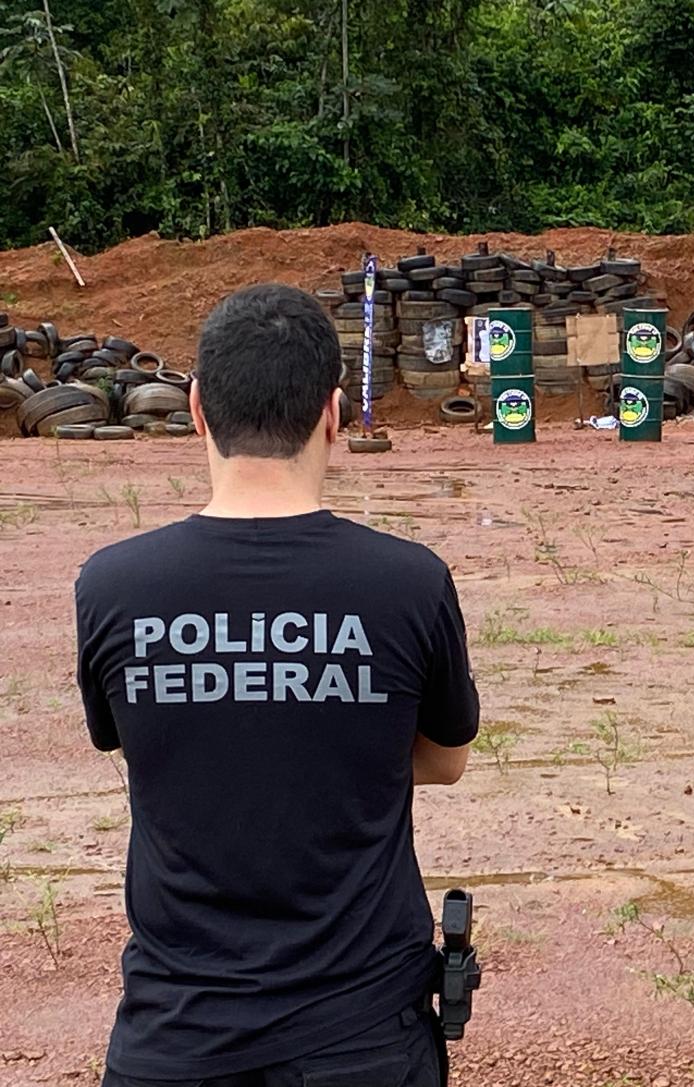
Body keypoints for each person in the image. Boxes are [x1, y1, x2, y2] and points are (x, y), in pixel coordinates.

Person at [74, 283, 480, 1087]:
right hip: (363, 1040)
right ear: (334, 414)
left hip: (176, 1039)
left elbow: (140, 742)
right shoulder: (408, 583)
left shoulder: (115, 585)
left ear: (195, 408)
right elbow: (446, 759)